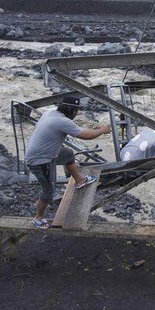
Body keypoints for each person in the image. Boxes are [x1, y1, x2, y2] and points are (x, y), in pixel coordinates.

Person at [24, 96, 111, 229]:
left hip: (46, 154)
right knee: (48, 191)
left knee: (68, 154)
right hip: (40, 161)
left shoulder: (51, 114)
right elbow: (86, 136)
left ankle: (80, 180)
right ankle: (38, 218)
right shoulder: (62, 121)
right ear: (72, 111)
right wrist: (102, 130)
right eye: (76, 111)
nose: (77, 114)